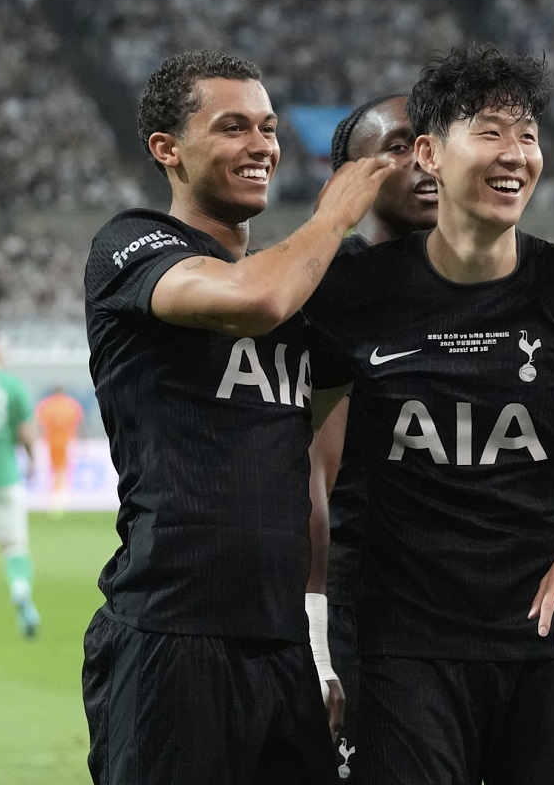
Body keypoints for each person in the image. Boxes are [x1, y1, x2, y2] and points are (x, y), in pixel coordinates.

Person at [303, 42, 554, 785]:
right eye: (491, 132)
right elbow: (298, 448)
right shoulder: (354, 294)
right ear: (430, 154)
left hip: (547, 631)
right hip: (404, 644)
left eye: (526, 135)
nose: (515, 154)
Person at [81, 48, 396, 785]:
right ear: (168, 150)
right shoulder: (133, 246)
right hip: (171, 632)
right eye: (232, 127)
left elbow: (309, 457)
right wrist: (337, 215)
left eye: (269, 127)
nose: (262, 146)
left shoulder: (302, 286)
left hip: (281, 642)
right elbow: (256, 300)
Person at [0, 328, 40, 643]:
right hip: (5, 476)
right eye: (3, 344)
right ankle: (19, 589)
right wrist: (32, 461)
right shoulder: (12, 384)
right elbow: (26, 432)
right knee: (13, 545)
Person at [34, 386, 85, 514]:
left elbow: (39, 423)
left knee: (53, 469)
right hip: (67, 440)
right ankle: (61, 497)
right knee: (63, 469)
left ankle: (54, 496)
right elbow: (79, 423)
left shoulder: (46, 405)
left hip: (51, 440)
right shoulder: (71, 404)